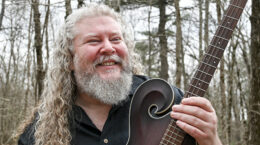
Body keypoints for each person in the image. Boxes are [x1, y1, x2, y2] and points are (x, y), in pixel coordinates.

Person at [18, 3, 222, 145]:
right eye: (94, 41)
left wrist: (211, 140)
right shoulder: (40, 134)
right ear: (69, 60)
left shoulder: (166, 100)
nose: (108, 48)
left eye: (116, 39)